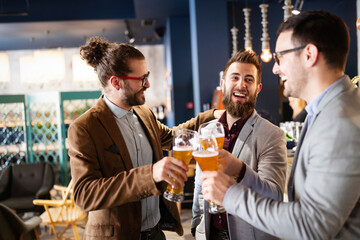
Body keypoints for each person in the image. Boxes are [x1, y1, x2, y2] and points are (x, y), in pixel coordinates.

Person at [201, 10, 360, 239]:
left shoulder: (340, 122)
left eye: (280, 57)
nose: (276, 69)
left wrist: (228, 195)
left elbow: (311, 226)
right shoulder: (325, 112)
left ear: (309, 55)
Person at [67, 36, 217, 240]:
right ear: (115, 82)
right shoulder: (84, 128)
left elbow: (172, 137)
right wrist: (151, 174)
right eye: (141, 79)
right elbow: (85, 195)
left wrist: (213, 115)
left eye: (147, 76)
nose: (147, 84)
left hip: (155, 233)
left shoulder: (144, 113)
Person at [191, 50, 287, 240]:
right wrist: (196, 225)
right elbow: (200, 183)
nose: (241, 85)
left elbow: (274, 195)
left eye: (249, 80)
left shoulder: (272, 135)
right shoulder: (206, 130)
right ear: (223, 84)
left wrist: (241, 170)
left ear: (257, 89)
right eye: (234, 77)